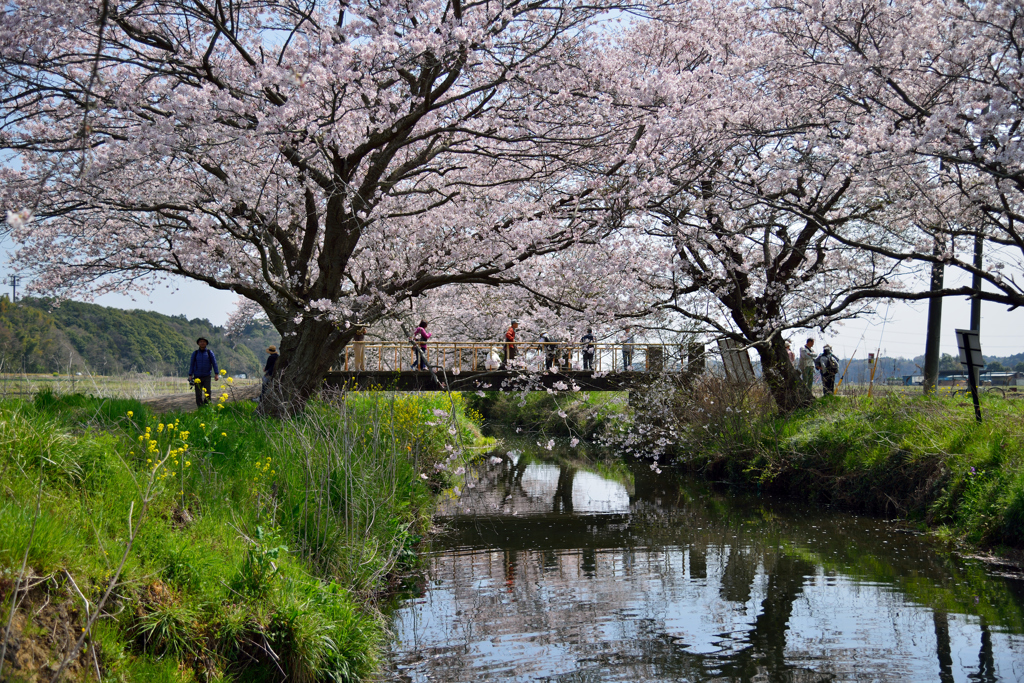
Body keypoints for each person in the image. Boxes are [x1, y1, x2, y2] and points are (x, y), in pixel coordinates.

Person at [188, 337, 219, 408]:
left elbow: (214, 363)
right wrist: (190, 375)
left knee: (208, 392)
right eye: (201, 342)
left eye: (204, 342)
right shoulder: (195, 353)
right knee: (198, 394)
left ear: (206, 343)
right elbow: (192, 364)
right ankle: (200, 408)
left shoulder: (209, 352)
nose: (202, 343)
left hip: (207, 376)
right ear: (198, 343)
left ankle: (207, 406)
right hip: (197, 376)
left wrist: (216, 374)